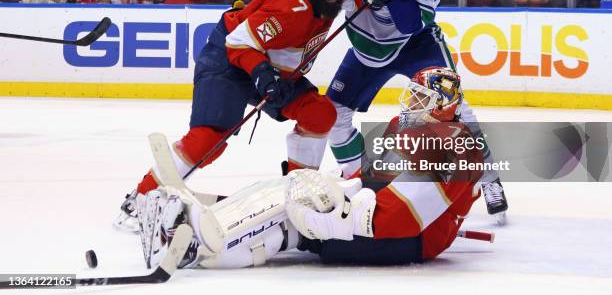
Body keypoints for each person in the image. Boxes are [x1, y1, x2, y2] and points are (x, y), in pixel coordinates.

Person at [136, 67, 484, 269]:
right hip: (391, 214)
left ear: (444, 106)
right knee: (292, 192)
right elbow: (374, 177)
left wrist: (330, 220)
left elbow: (400, 220)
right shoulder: (405, 125)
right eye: (412, 95)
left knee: (291, 226)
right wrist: (337, 191)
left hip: (414, 239)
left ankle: (199, 249)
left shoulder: (456, 147)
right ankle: (204, 226)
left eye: (421, 100)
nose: (410, 105)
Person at [114, 0, 354, 233]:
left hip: (271, 64)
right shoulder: (288, 8)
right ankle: (139, 201)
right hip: (229, 58)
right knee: (207, 141)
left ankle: (299, 195)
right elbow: (238, 43)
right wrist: (263, 75)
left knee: (319, 113)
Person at [327, 0, 508, 219]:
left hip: (417, 45)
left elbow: (413, 23)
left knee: (457, 109)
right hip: (368, 44)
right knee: (332, 113)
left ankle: (489, 178)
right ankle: (357, 179)